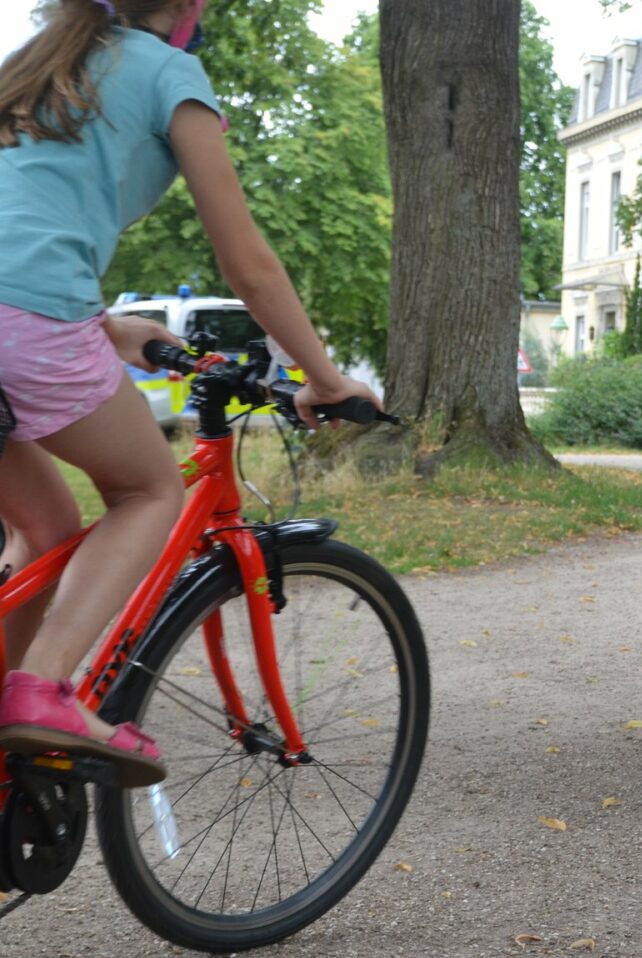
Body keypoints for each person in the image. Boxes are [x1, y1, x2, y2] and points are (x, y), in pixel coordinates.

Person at [0, 0, 377, 785]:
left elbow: (20, 229)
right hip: (28, 317)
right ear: (185, 7)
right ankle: (39, 691)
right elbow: (248, 262)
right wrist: (321, 376)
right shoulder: (172, 73)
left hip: (25, 314)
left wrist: (104, 326)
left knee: (45, 527)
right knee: (146, 493)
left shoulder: (37, 67)